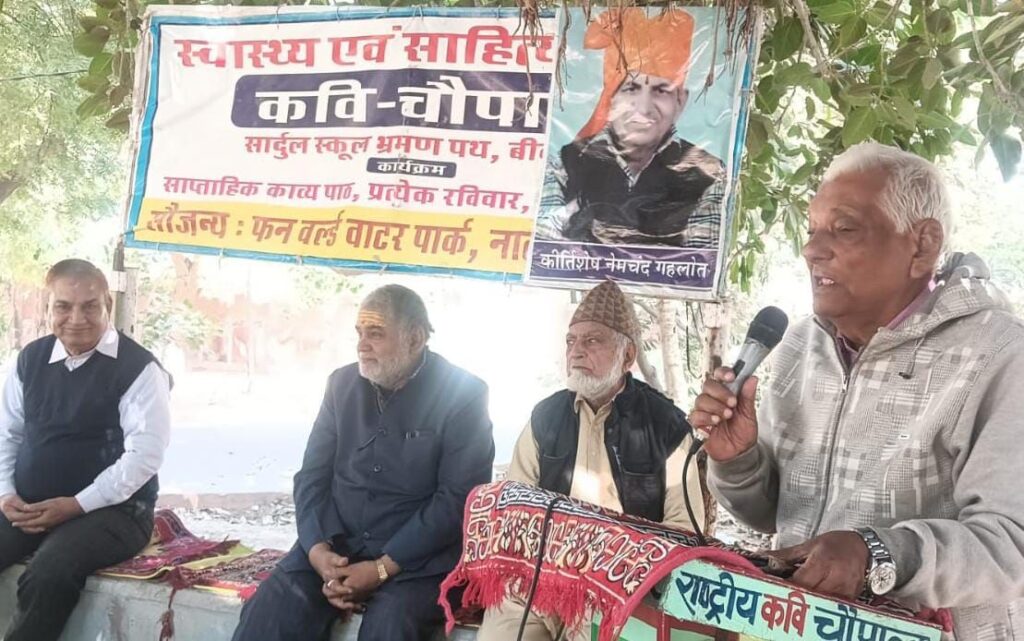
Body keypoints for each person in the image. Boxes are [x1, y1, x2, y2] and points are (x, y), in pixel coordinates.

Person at [692, 142, 1024, 639]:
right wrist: (738, 460)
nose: (812, 250)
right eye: (811, 230)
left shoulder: (998, 354)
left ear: (922, 245)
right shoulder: (802, 346)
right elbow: (771, 516)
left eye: (844, 229)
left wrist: (878, 554)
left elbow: (1010, 545)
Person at [232, 284, 494, 641]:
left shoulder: (464, 394)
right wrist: (318, 553)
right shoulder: (341, 384)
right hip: (336, 547)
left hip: (417, 561)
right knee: (271, 611)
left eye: (376, 334)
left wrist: (382, 569)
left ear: (415, 338)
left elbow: (458, 498)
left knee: (391, 626)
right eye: (359, 333)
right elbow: (311, 477)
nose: (362, 345)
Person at [478, 280, 704, 641]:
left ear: (627, 356)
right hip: (542, 577)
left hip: (622, 585)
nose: (576, 351)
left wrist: (618, 564)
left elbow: (685, 529)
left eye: (592, 340)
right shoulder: (546, 417)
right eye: (571, 341)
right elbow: (516, 509)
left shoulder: (666, 426)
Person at [0, 258, 171, 641]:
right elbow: (6, 433)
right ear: (48, 308)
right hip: (28, 506)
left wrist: (76, 505)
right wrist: (6, 493)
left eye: (90, 306)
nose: (76, 318)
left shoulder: (139, 369)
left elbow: (143, 457)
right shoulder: (30, 359)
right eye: (63, 306)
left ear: (107, 305)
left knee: (49, 573)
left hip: (114, 513)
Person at [536, 8, 726, 248]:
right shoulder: (563, 164)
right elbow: (546, 248)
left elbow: (702, 258)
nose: (643, 107)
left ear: (681, 100)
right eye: (631, 88)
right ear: (610, 97)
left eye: (661, 90)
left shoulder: (709, 173)